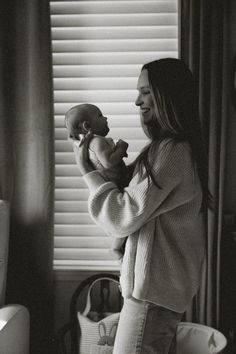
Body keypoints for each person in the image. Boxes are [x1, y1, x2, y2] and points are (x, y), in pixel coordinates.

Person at [72, 58, 210, 354]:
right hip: (157, 293)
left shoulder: (172, 152)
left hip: (153, 295)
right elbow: (132, 195)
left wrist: (87, 171)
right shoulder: (165, 150)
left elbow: (123, 215)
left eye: (145, 92)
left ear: (165, 95)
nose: (137, 101)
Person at [65, 103, 128, 259]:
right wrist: (121, 147)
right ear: (87, 126)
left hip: (114, 182)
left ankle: (117, 246)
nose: (105, 118)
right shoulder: (97, 142)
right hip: (114, 185)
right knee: (123, 223)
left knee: (123, 225)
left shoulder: (90, 143)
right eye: (100, 116)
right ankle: (115, 248)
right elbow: (108, 162)